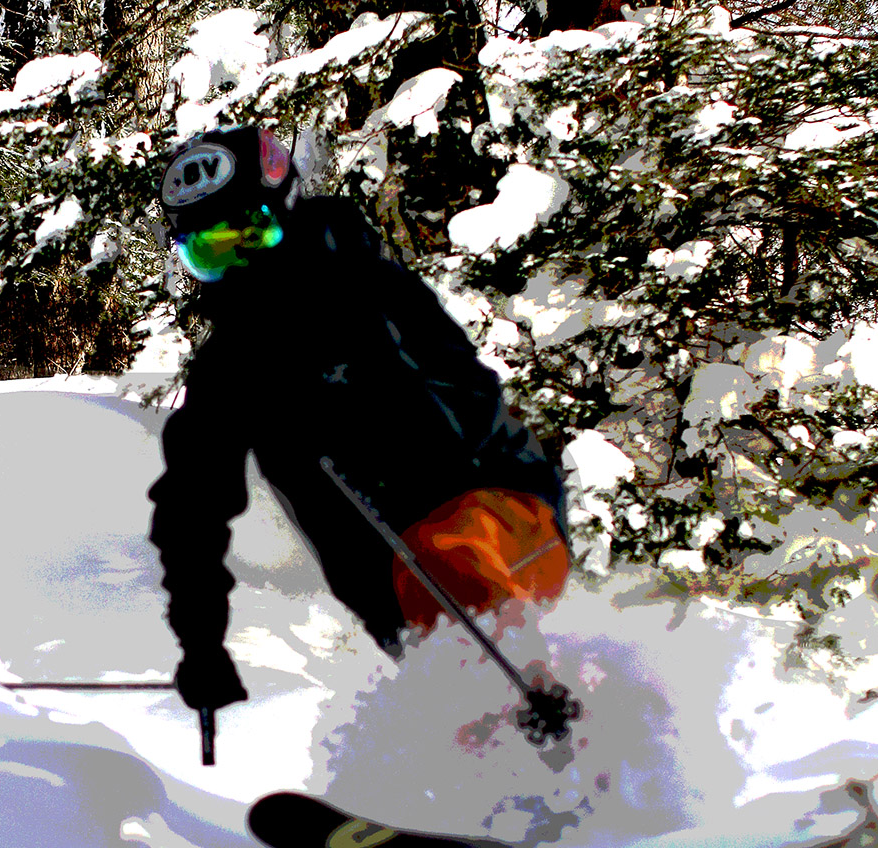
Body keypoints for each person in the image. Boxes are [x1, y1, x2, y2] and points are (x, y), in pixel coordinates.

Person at [149, 125, 570, 762]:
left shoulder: (360, 286)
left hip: (493, 517)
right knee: (463, 718)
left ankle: (581, 738)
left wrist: (320, 401)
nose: (238, 268)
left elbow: (451, 396)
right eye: (209, 252)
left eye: (248, 235)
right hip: (396, 587)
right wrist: (201, 644)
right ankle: (502, 807)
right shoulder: (232, 366)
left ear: (286, 211)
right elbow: (191, 508)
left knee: (450, 562)